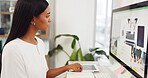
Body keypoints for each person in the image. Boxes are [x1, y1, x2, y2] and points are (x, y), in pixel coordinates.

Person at [0, 0, 83, 78]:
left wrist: (67, 67)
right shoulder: (13, 49)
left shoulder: (39, 43)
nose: (49, 20)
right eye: (47, 16)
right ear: (33, 19)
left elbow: (44, 74)